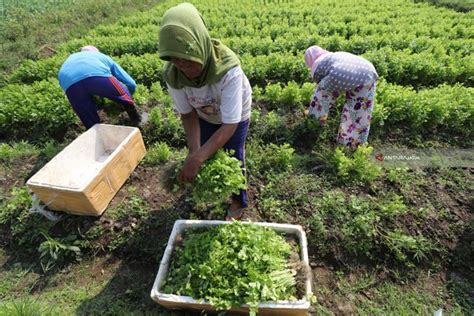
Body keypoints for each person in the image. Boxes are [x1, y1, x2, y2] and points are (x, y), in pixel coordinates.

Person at [158, 3, 252, 221]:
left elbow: (230, 124)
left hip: (235, 115)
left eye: (188, 60)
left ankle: (239, 200)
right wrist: (195, 152)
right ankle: (213, 192)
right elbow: (188, 115)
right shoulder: (174, 75)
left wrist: (198, 157)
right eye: (175, 59)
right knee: (207, 151)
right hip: (203, 112)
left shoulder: (228, 71)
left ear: (200, 45)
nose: (183, 66)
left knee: (233, 154)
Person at [304, 45, 378, 147]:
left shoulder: (317, 64)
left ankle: (315, 120)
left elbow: (322, 84)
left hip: (338, 74)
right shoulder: (334, 55)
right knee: (359, 109)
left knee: (322, 95)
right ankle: (350, 144)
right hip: (368, 71)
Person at [58, 45, 146, 129]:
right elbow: (131, 83)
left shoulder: (71, 58)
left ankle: (100, 138)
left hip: (69, 84)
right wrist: (128, 96)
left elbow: (81, 87)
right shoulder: (101, 56)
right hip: (96, 76)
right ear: (96, 52)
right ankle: (137, 120)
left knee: (90, 120)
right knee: (125, 97)